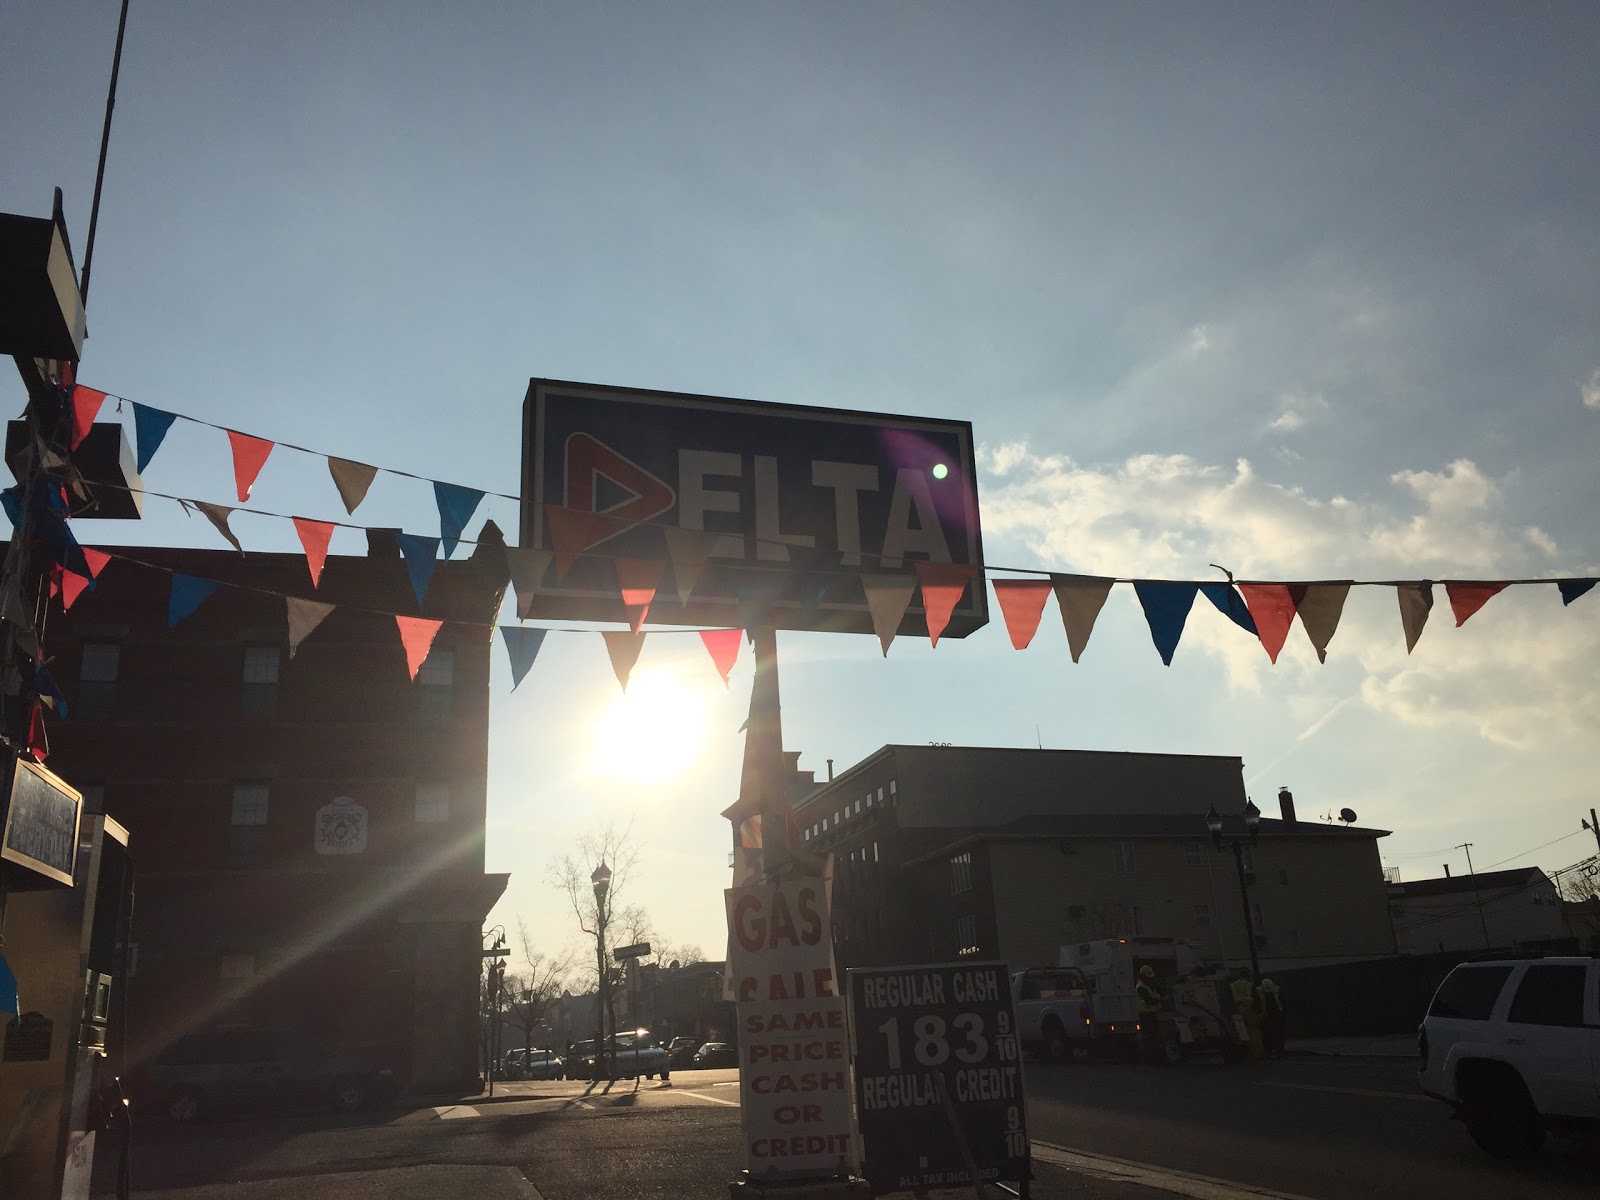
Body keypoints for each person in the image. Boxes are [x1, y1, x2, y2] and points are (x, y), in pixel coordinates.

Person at [1230, 968, 1263, 1060]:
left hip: (1238, 1009)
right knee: (1253, 1031)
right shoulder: (1250, 985)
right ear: (1248, 976)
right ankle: (1256, 1053)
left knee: (1241, 1032)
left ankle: (1245, 1052)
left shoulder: (1233, 985)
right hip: (1249, 1008)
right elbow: (1256, 998)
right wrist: (1260, 1011)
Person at [1135, 965, 1164, 1063]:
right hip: (1146, 1014)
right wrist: (1159, 1000)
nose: (1151, 978)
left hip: (1151, 1013)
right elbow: (1149, 1000)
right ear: (1144, 976)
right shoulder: (1141, 987)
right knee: (1149, 1037)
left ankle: (1153, 1057)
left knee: (1152, 1036)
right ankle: (1150, 1058)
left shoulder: (1147, 985)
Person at [1258, 977, 1285, 1058]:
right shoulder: (1259, 990)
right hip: (1266, 1014)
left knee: (1277, 1031)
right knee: (1267, 1032)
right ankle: (1270, 1050)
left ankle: (1277, 1049)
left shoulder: (1277, 989)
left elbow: (1282, 1000)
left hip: (1275, 1013)